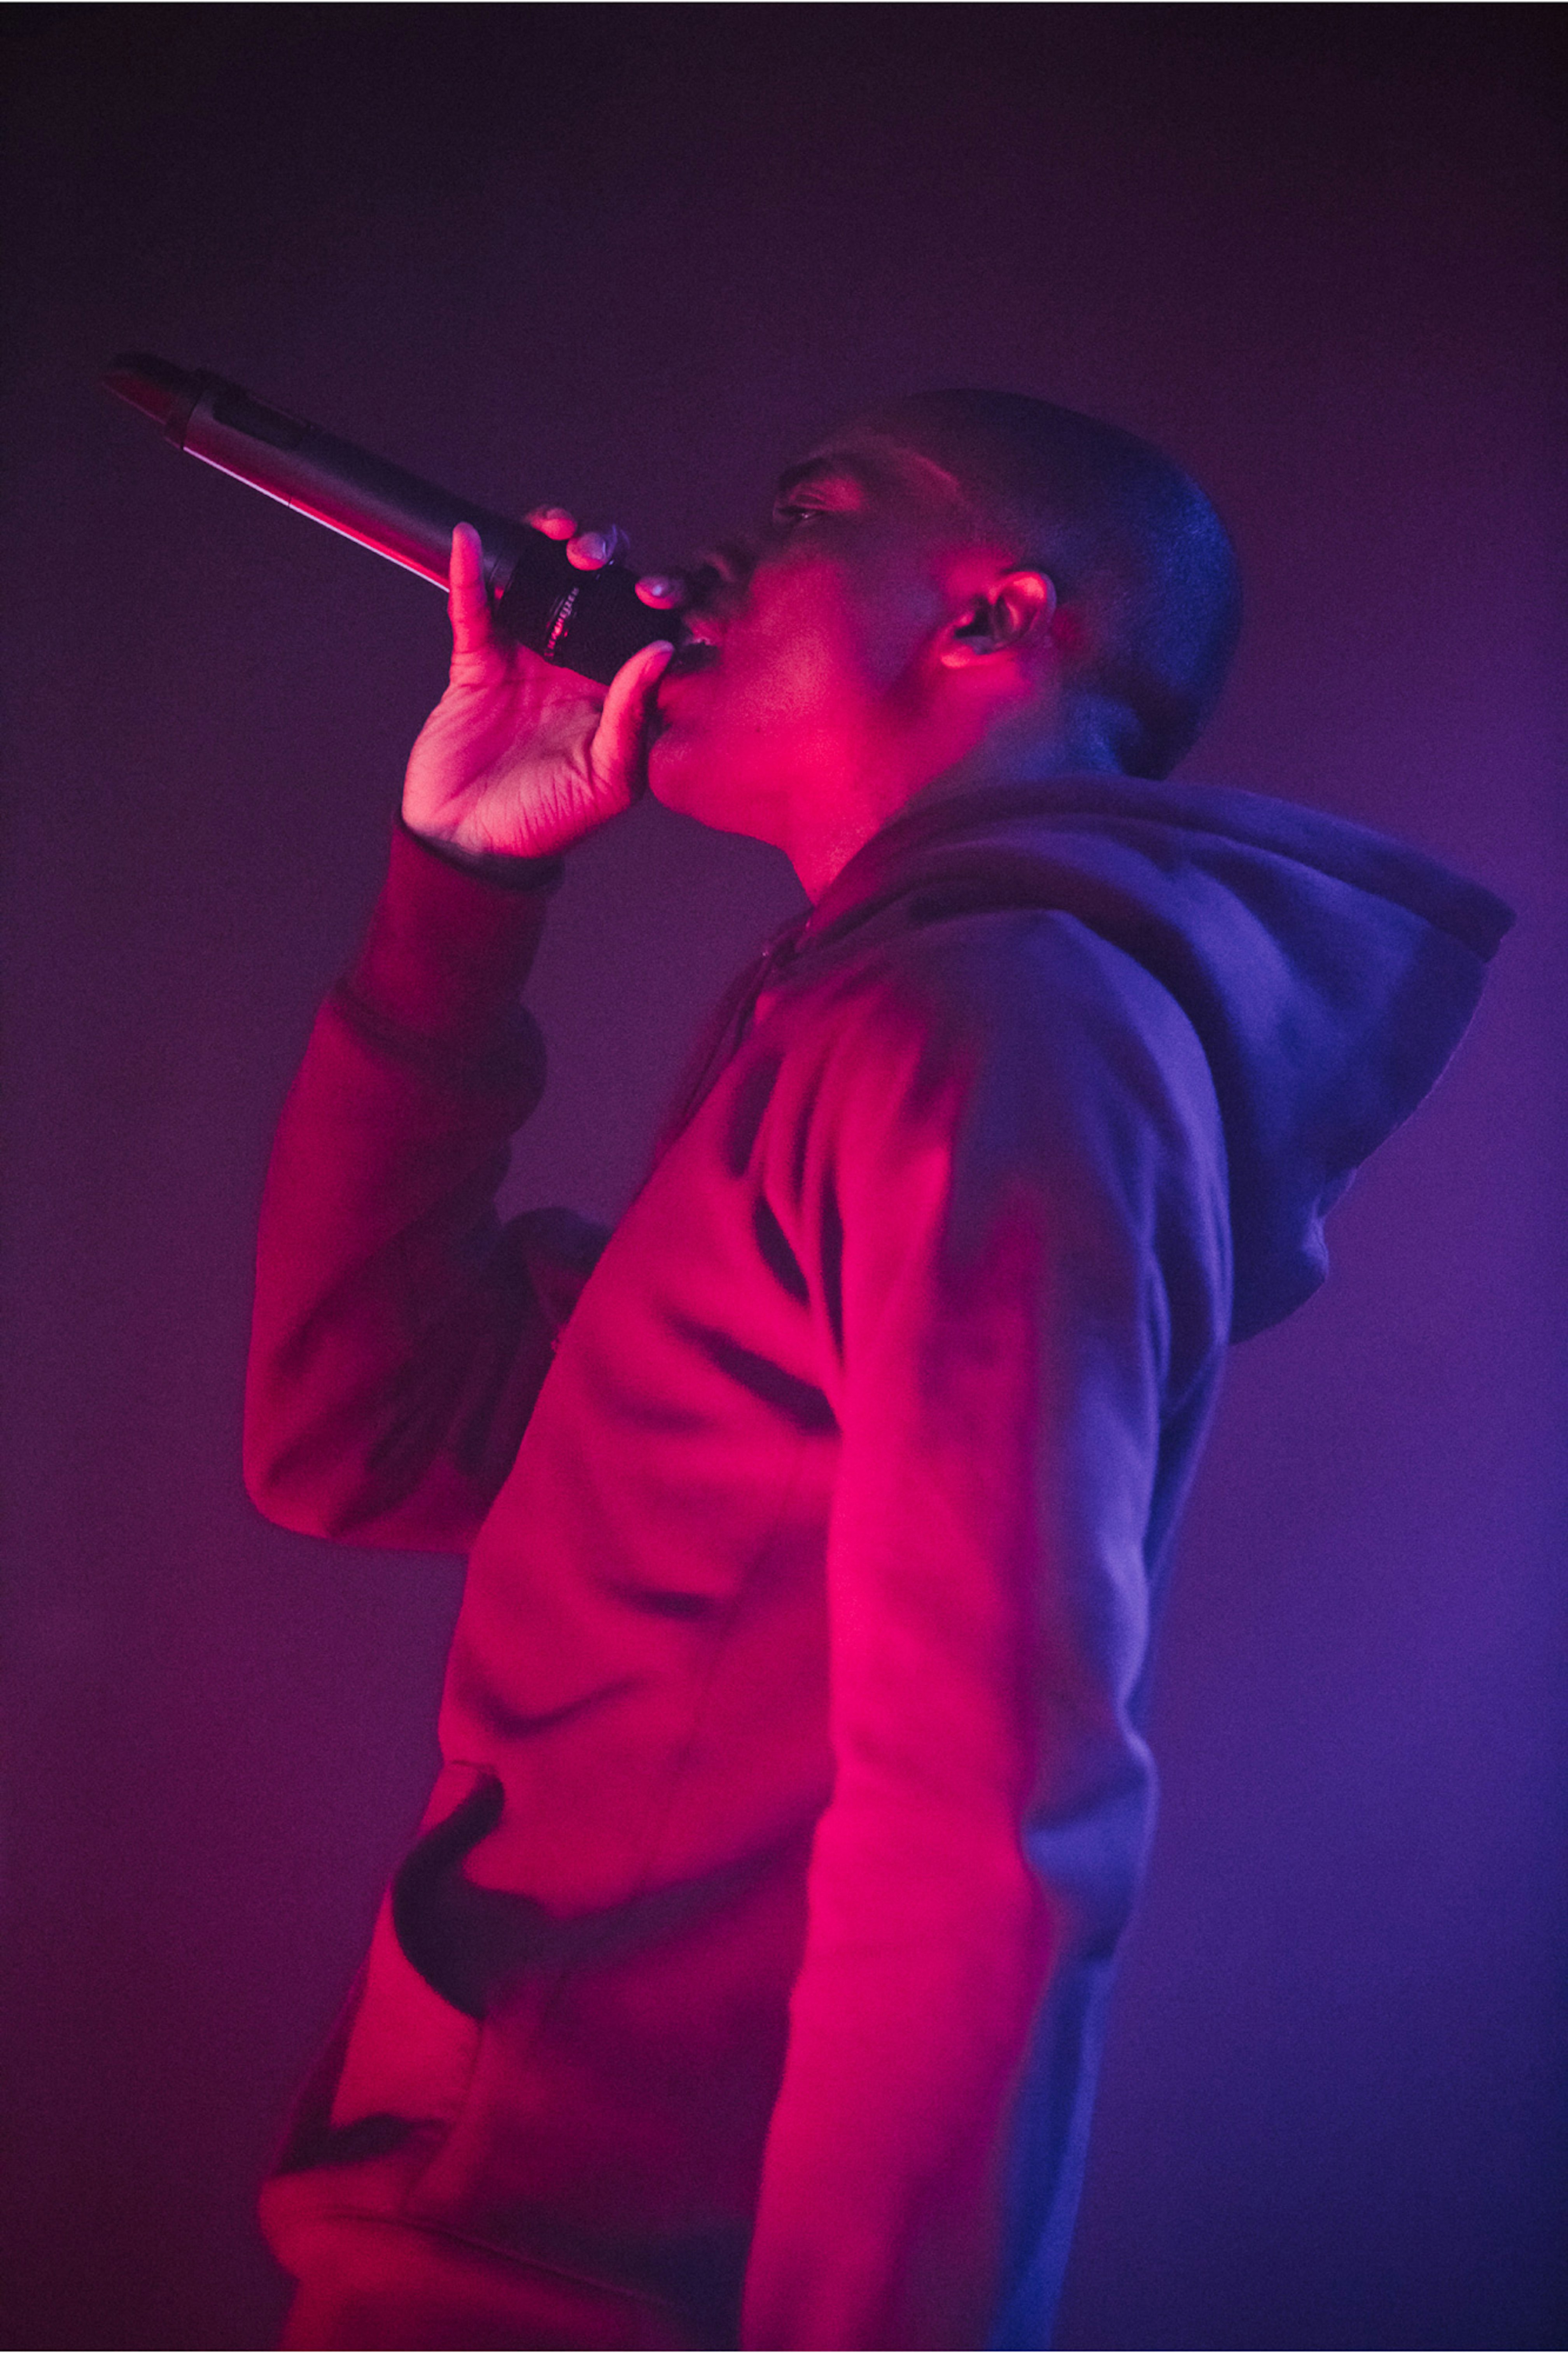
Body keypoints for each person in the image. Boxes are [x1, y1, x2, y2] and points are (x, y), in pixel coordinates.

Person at [245, 391, 1510, 2351]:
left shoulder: (996, 1023)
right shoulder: (864, 1008)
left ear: (995, 619)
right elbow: (361, 1436)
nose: (706, 567)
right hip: (470, 2246)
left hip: (580, 2285)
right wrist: (460, 891)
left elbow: (991, 1811)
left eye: (806, 509)